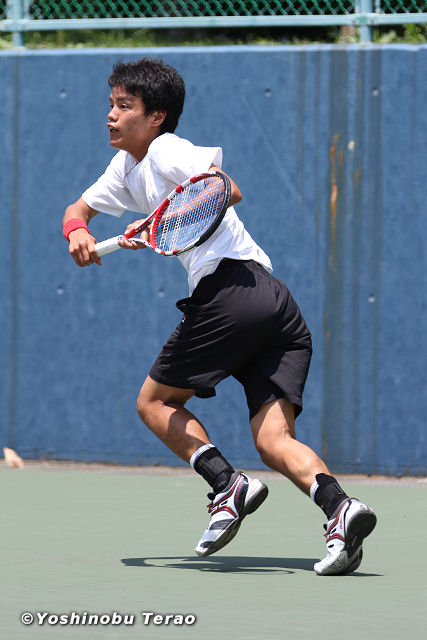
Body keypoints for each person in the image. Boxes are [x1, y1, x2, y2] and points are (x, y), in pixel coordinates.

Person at [63, 57, 377, 575]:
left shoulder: (165, 150)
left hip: (230, 291)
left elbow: (225, 189)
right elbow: (78, 209)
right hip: (274, 304)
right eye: (111, 104)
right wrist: (78, 231)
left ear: (156, 117)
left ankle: (227, 484)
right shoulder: (125, 167)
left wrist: (163, 218)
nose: (111, 115)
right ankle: (341, 509)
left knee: (154, 402)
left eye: (124, 106)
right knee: (274, 441)